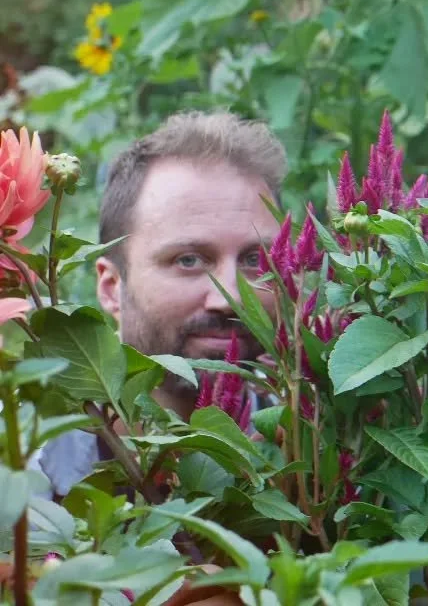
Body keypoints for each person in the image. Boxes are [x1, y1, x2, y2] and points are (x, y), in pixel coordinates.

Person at [30, 111, 285, 606]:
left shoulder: (315, 455)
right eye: (189, 260)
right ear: (111, 286)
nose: (230, 297)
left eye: (255, 261)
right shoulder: (25, 464)